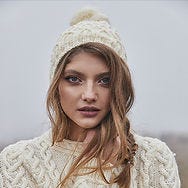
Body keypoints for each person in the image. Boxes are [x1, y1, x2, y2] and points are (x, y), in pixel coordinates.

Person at [0, 8, 180, 188]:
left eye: (105, 81)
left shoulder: (155, 159)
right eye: (73, 79)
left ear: (120, 86)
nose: (89, 95)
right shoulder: (19, 162)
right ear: (56, 85)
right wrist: (95, 170)